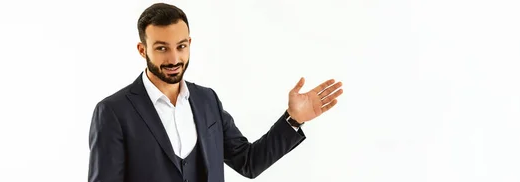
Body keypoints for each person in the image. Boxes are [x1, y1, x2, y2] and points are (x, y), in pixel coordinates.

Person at [88, 3, 343, 182]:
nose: (175, 58)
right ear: (142, 50)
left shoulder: (206, 100)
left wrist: (293, 119)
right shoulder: (113, 112)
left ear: (190, 43)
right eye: (162, 48)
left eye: (181, 46)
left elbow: (248, 162)